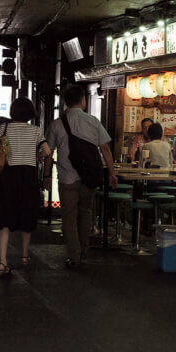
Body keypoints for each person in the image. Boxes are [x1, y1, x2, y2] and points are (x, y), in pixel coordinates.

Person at [46, 84, 117, 270]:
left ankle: (74, 256)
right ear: (83, 101)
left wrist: (46, 176)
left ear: (65, 103)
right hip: (89, 178)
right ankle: (84, 249)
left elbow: (48, 152)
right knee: (85, 212)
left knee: (69, 217)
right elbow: (105, 148)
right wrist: (112, 172)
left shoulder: (56, 124)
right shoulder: (93, 121)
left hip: (67, 178)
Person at [0, 97, 52, 276]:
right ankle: (25, 256)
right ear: (30, 113)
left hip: (8, 176)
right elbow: (47, 151)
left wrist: (11, 152)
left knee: (5, 220)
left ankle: (3, 262)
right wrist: (37, 158)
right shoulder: (35, 130)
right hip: (28, 177)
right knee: (27, 216)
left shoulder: (4, 128)